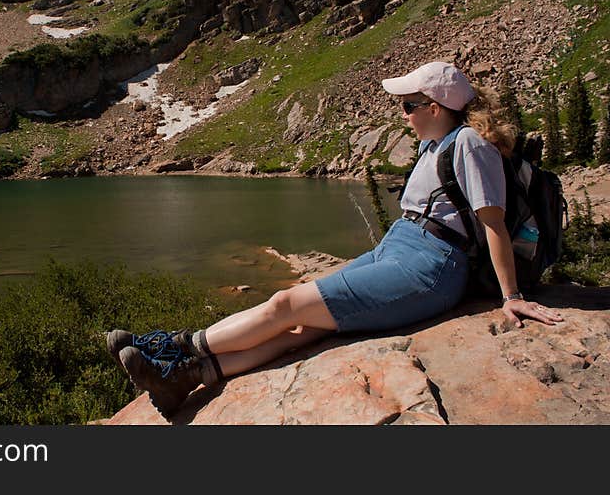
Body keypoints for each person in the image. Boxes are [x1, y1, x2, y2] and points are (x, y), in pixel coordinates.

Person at [107, 61, 564, 418]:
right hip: (399, 247)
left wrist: (512, 296)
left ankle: (176, 347)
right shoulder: (436, 144)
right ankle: (188, 377)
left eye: (408, 105)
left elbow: (492, 223)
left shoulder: (469, 144)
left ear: (435, 107)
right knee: (304, 325)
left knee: (285, 305)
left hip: (431, 266)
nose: (401, 113)